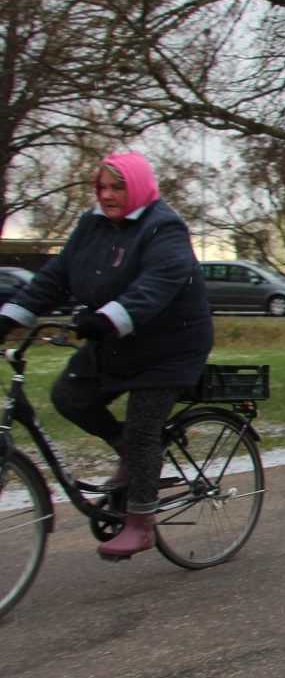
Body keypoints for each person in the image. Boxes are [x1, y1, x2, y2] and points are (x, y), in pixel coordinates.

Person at [0, 151, 214, 559]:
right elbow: (56, 277)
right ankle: (128, 454)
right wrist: (11, 316)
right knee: (69, 396)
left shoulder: (164, 227)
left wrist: (108, 318)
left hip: (168, 346)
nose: (108, 195)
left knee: (142, 429)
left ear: (138, 187)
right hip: (116, 341)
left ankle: (140, 523)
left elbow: (158, 283)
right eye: (102, 187)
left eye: (118, 187)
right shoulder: (91, 224)